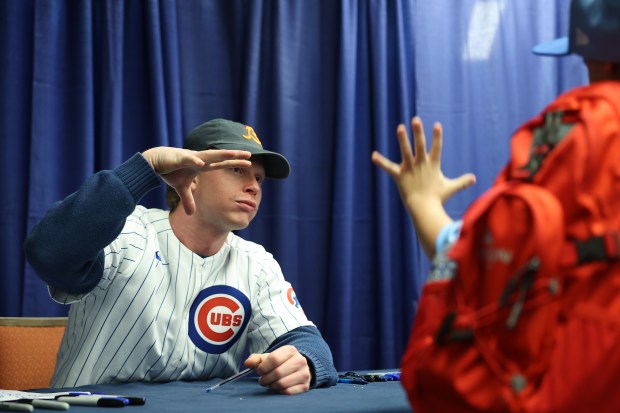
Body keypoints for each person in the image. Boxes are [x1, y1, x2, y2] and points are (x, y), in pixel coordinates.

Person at [24, 118, 338, 394]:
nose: (253, 187)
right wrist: (144, 167)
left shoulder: (256, 263)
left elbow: (308, 343)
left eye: (259, 178)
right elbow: (48, 253)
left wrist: (304, 363)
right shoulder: (126, 231)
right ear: (192, 176)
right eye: (237, 170)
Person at [372, 0, 620, 259]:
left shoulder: (580, 138)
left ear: (607, 65)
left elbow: (484, 266)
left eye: (587, 63)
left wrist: (422, 201)